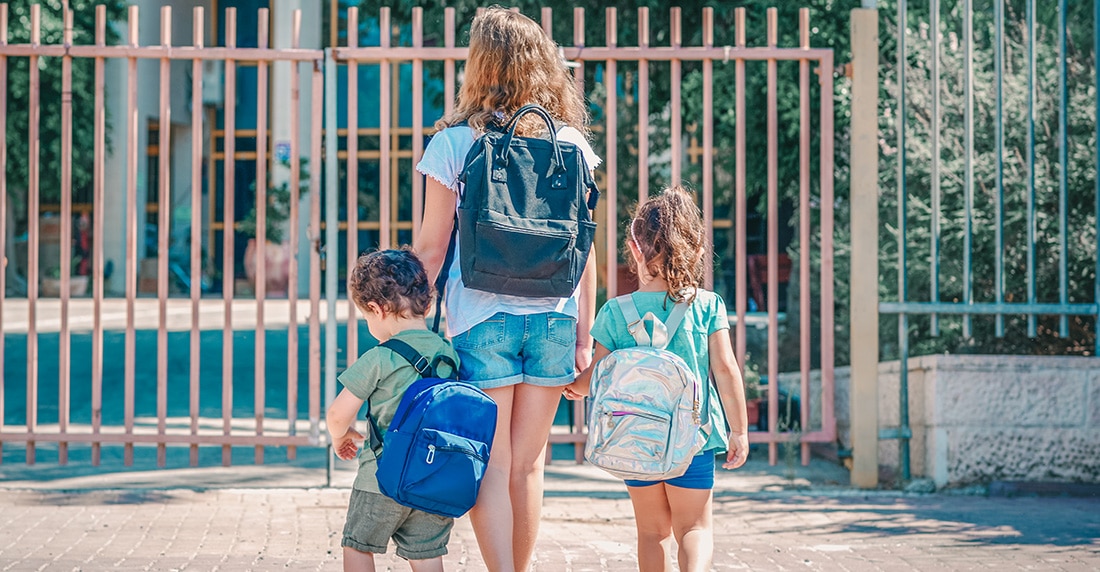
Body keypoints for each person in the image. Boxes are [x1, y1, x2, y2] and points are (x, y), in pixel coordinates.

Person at [412, 8, 601, 572]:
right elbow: (584, 248)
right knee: (529, 465)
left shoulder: (454, 144)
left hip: (480, 318)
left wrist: (412, 329)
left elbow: (431, 248)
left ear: (478, 66)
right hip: (553, 320)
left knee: (492, 464)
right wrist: (584, 338)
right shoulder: (570, 144)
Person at [564, 187, 750, 572]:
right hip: (694, 439)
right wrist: (739, 431)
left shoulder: (616, 311)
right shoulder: (707, 305)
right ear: (697, 252)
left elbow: (596, 377)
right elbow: (727, 371)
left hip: (636, 441)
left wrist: (570, 387)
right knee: (694, 528)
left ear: (634, 249)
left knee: (651, 533)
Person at [326, 248, 459, 572]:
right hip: (433, 478)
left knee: (358, 545)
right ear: (426, 303)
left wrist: (339, 436)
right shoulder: (449, 354)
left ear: (376, 308)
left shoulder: (380, 357)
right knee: (427, 555)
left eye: (367, 316)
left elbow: (336, 414)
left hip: (381, 478)